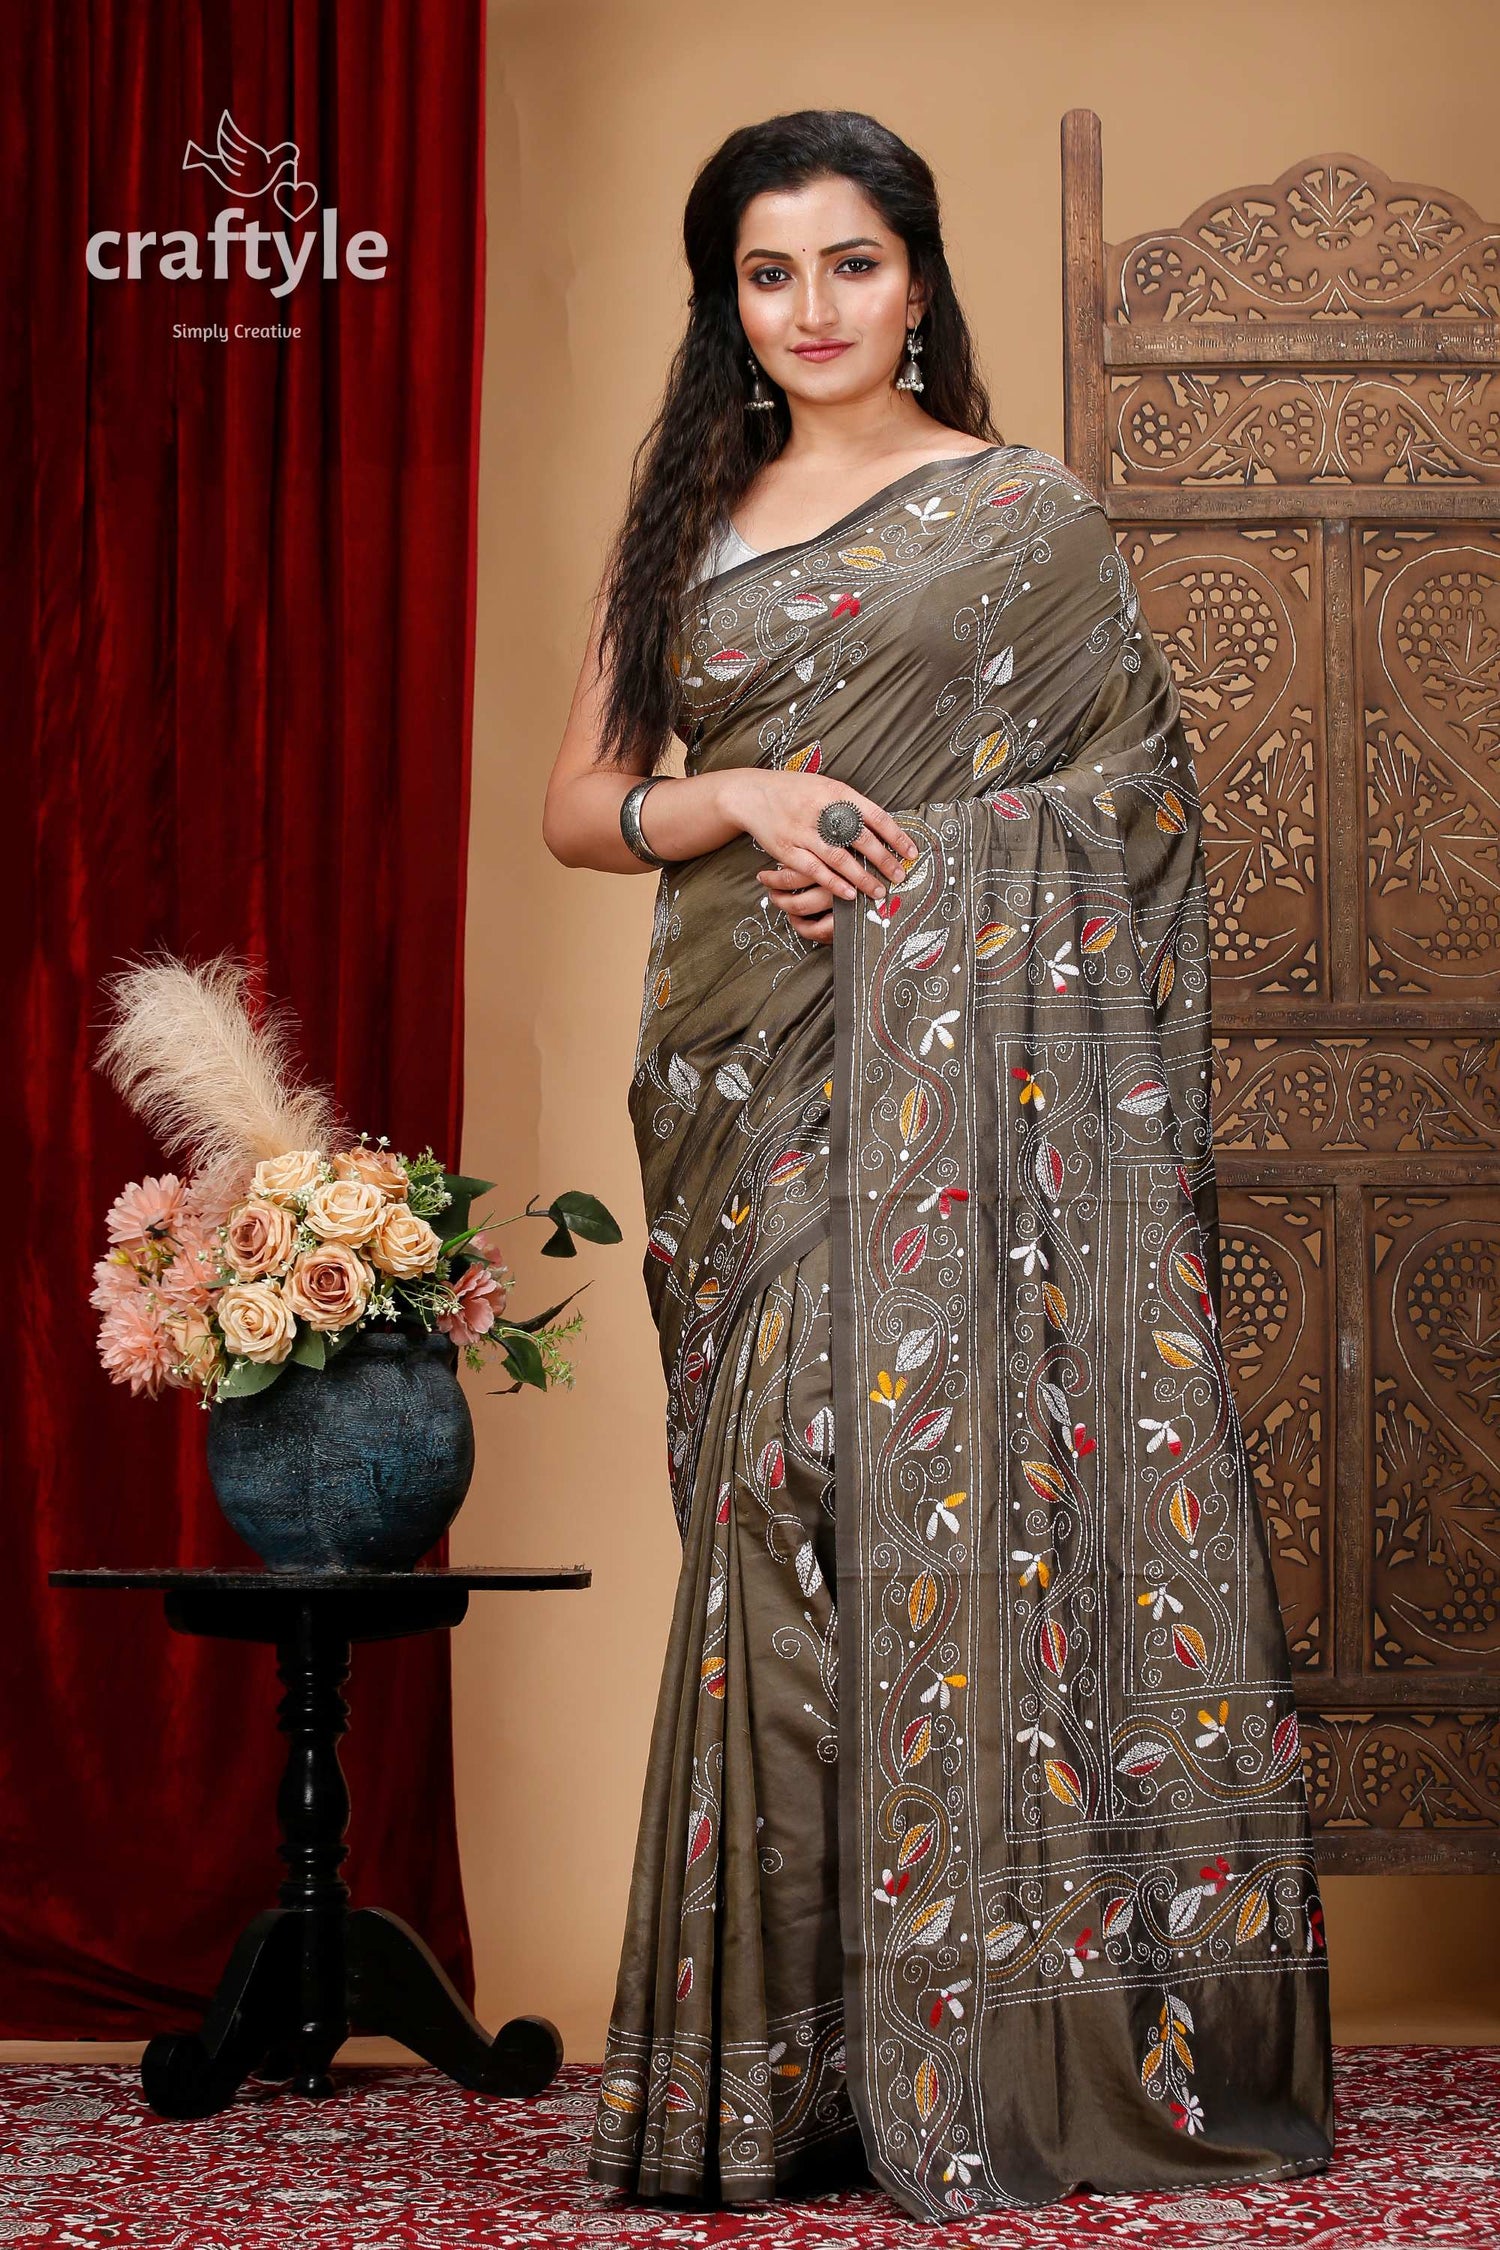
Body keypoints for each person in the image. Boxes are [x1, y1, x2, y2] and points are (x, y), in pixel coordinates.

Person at [542, 107, 1334, 2227]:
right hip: (736, 1082)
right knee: (775, 1504)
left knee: (912, 1484)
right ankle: (782, 2067)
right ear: (728, 302)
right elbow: (582, 801)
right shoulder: (691, 513)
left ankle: (971, 2038)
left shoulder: (1022, 519)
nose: (813, 310)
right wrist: (747, 805)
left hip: (947, 1095)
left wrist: (929, 890)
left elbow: (1137, 817)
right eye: (769, 274)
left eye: (854, 265)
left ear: (921, 278)